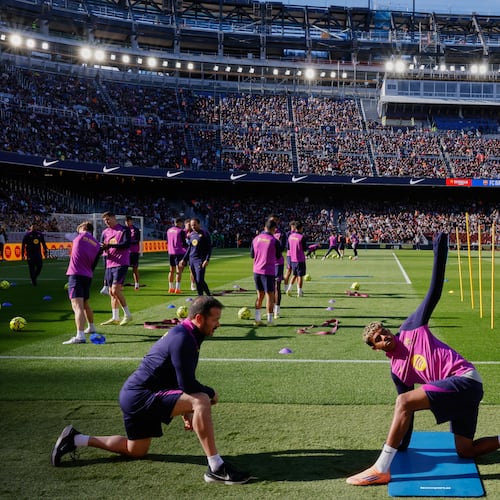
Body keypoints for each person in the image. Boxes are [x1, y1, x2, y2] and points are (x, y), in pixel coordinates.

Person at [346, 232, 500, 487]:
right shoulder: (397, 371)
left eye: (383, 331)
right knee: (466, 450)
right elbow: (409, 413)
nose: (384, 337)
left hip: (465, 380)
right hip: (458, 394)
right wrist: (403, 445)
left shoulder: (411, 326)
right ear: (375, 348)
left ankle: (380, 469)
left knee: (403, 400)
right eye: (378, 339)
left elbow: (434, 292)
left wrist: (440, 253)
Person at [51, 296, 251, 485]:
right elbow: (188, 386)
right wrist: (210, 394)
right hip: (141, 395)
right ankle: (216, 467)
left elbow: (174, 375)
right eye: (215, 319)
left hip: (134, 395)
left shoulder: (189, 334)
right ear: (199, 318)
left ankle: (76, 439)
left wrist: (185, 409)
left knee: (135, 450)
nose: (218, 324)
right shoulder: (184, 338)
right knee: (202, 399)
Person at [62, 221, 102, 344]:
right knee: (85, 303)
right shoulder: (96, 243)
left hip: (76, 274)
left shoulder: (78, 236)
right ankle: (91, 327)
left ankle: (80, 336)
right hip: (87, 275)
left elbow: (65, 235)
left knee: (77, 306)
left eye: (78, 228)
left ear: (84, 228)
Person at [100, 212, 133, 326]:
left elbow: (126, 244)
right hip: (109, 264)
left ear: (114, 218)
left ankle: (128, 315)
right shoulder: (105, 232)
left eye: (108, 219)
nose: (107, 222)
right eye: (105, 221)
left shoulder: (124, 230)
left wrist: (110, 246)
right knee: (111, 292)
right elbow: (102, 246)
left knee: (115, 290)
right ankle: (115, 317)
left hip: (121, 263)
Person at [251, 218, 281, 327]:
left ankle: (257, 319)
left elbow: (252, 255)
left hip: (256, 271)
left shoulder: (255, 239)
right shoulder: (274, 241)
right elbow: (278, 256)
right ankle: (270, 320)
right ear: (273, 229)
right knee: (270, 296)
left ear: (265, 227)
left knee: (260, 296)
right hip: (268, 271)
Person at [180, 218, 212, 296]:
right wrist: (184, 259)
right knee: (199, 280)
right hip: (192, 260)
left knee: (199, 280)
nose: (193, 226)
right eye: (191, 225)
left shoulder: (205, 233)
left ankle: (201, 297)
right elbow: (190, 248)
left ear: (199, 224)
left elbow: (209, 248)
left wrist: (207, 259)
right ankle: (207, 297)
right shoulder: (191, 234)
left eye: (194, 224)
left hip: (200, 260)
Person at [268, 214, 286, 319]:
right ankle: (269, 309)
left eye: (275, 220)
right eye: (271, 220)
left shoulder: (281, 233)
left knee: (276, 286)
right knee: (268, 288)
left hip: (277, 263)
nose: (273, 222)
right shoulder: (265, 234)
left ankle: (276, 311)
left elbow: (282, 248)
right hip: (267, 263)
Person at [284, 221, 307, 297]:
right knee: (300, 276)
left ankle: (289, 289)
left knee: (294, 275)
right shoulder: (302, 237)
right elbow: (305, 248)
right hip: (300, 259)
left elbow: (288, 248)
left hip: (293, 259)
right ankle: (299, 292)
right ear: (300, 228)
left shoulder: (290, 236)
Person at [166, 217, 187, 294]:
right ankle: (177, 289)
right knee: (179, 271)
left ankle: (171, 288)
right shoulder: (181, 231)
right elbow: (184, 243)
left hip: (171, 252)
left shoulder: (169, 230)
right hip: (179, 252)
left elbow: (167, 241)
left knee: (171, 270)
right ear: (180, 223)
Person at [125, 215, 141, 290]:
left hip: (134, 251)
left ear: (131, 221)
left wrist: (128, 242)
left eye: (129, 221)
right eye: (126, 221)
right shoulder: (123, 230)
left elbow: (137, 240)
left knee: (135, 268)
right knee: (123, 268)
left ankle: (137, 284)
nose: (127, 222)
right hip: (125, 252)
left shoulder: (136, 230)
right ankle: (120, 284)